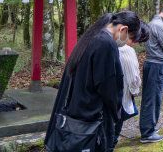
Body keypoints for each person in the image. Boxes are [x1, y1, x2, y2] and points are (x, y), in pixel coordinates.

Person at [45, 11, 142, 152]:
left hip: (78, 108)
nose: (128, 43)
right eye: (130, 38)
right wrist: (117, 113)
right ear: (124, 29)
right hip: (93, 117)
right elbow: (108, 87)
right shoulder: (106, 44)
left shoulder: (92, 36)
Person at [139, 6, 163, 143]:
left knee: (149, 97)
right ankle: (148, 133)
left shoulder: (152, 23)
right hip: (157, 64)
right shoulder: (160, 26)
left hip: (152, 63)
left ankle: (148, 128)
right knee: (153, 98)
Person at [113, 22, 150, 148]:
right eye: (137, 41)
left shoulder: (108, 45)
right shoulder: (127, 51)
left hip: (104, 98)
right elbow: (134, 78)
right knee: (113, 133)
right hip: (121, 97)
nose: (136, 44)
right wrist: (135, 91)